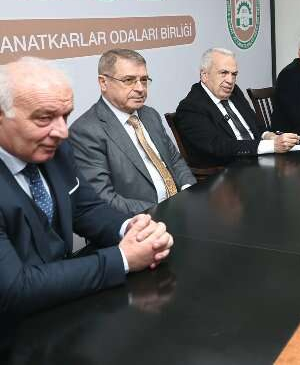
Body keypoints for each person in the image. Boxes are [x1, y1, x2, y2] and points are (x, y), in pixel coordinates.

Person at [0, 57, 174, 318]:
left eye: (65, 116)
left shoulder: (56, 149)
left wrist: (131, 229)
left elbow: (85, 208)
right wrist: (123, 259)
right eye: (45, 118)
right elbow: (14, 289)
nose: (62, 132)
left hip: (66, 304)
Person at [69, 49, 196, 214]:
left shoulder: (150, 114)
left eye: (143, 80)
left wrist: (187, 190)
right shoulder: (86, 131)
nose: (140, 88)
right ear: (103, 82)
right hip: (142, 221)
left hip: (181, 209)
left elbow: (175, 160)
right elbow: (104, 197)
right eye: (128, 80)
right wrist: (162, 211)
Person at [175, 48, 300, 167]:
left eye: (234, 74)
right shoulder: (191, 107)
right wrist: (272, 146)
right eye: (223, 73)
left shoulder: (234, 91)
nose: (230, 81)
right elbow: (218, 146)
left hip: (258, 160)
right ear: (204, 75)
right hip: (228, 171)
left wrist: (270, 136)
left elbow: (256, 125)